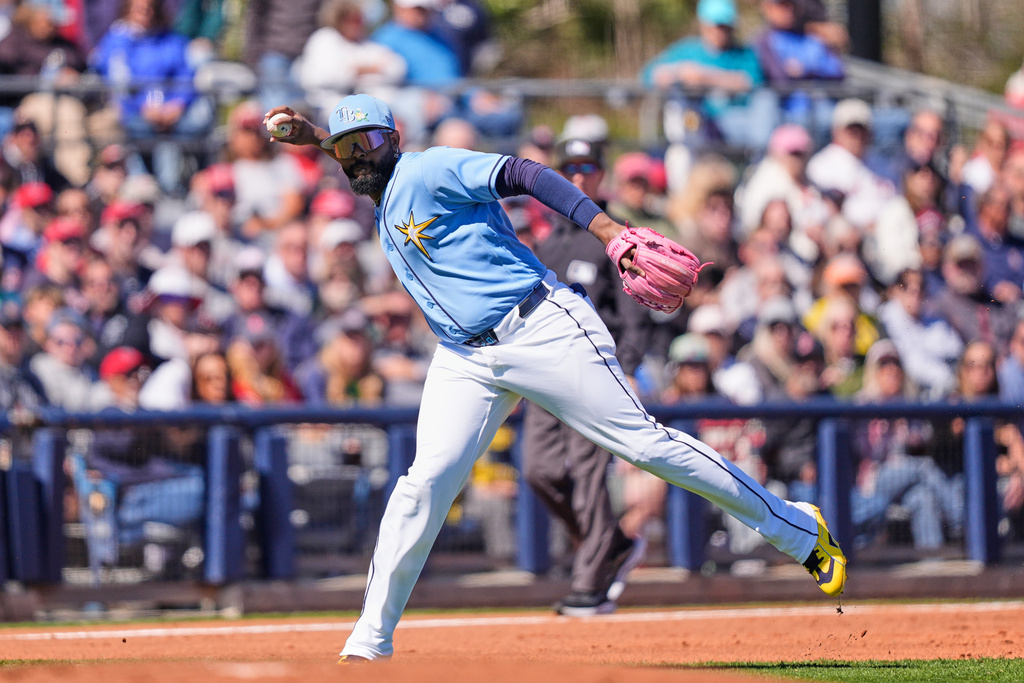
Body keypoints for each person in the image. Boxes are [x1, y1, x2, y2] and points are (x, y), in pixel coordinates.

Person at [265, 93, 846, 663]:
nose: (357, 157)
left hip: (540, 324)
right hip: (464, 357)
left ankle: (796, 529)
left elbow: (524, 172)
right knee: (425, 482)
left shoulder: (429, 166)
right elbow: (357, 159)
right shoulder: (379, 180)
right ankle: (369, 642)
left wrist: (609, 231)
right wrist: (321, 138)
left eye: (368, 142)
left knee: (644, 445)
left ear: (395, 139)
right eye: (347, 150)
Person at [521, 137, 649, 616]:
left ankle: (590, 583)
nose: (577, 177)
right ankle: (610, 544)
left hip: (594, 370)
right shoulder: (548, 242)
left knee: (588, 472)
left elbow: (633, 314)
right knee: (540, 469)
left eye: (587, 167)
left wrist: (630, 367)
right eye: (569, 168)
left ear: (600, 175)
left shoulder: (612, 235)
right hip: (545, 372)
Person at [641, 0, 778, 151]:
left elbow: (753, 82)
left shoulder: (744, 54)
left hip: (735, 123)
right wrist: (679, 73)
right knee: (681, 108)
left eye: (725, 26)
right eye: (716, 25)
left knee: (766, 101)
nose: (720, 31)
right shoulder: (686, 51)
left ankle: (760, 161)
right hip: (694, 123)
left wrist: (707, 77)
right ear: (703, 24)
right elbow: (649, 75)